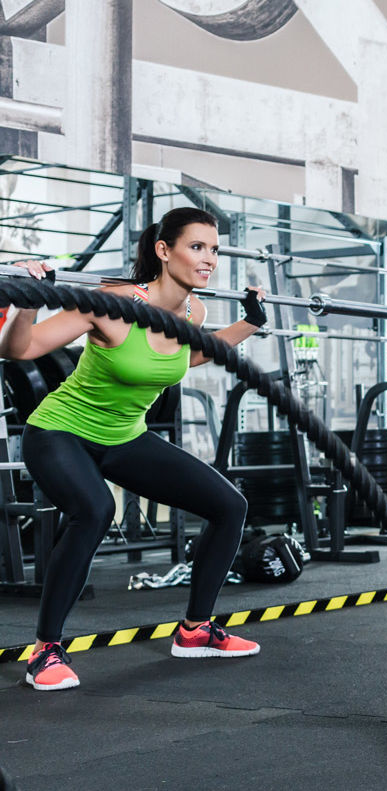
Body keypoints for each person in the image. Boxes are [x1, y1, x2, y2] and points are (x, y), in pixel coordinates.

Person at [6, 207, 270, 692]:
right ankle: (45, 651)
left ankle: (195, 631)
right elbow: (19, 350)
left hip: (125, 436)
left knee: (229, 505)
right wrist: (26, 304)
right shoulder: (113, 303)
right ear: (163, 251)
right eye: (197, 247)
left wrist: (248, 324)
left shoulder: (193, 312)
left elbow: (187, 354)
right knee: (95, 510)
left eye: (214, 249)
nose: (209, 259)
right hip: (60, 431)